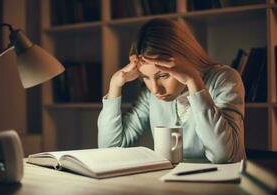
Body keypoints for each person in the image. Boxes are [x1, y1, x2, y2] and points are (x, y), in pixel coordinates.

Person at [97, 18, 246, 163]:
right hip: (169, 185)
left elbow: (224, 155)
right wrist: (115, 85)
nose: (155, 89)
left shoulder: (225, 79)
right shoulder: (150, 95)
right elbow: (109, 148)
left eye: (163, 75)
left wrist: (193, 81)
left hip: (220, 185)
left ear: (186, 59)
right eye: (145, 78)